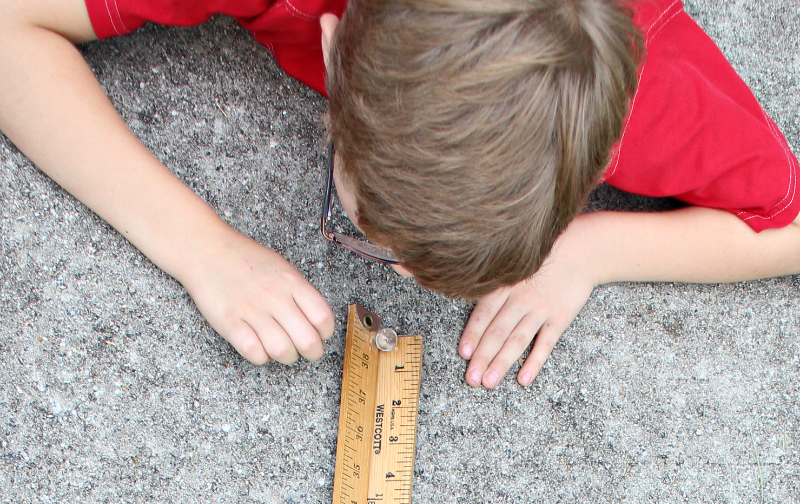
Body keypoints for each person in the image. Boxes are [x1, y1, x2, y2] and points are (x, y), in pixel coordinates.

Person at [1, 0, 798, 390]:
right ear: (330, 39)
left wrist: (587, 248)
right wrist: (199, 246)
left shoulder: (646, 87)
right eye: (365, 226)